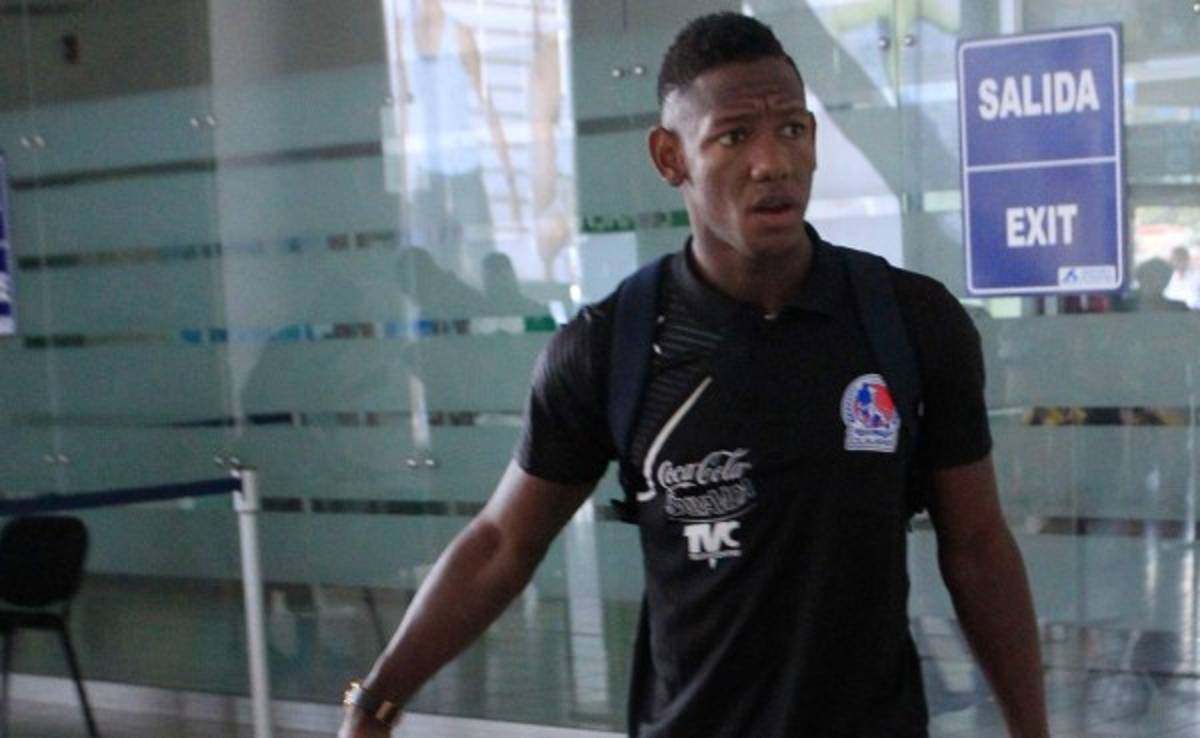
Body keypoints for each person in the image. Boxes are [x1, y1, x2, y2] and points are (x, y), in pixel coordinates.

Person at [338, 13, 1048, 738]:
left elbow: (977, 545)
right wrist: (375, 704)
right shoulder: (610, 348)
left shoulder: (909, 322)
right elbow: (500, 546)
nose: (772, 163)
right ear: (670, 157)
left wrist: (1032, 729)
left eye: (792, 130)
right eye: (734, 137)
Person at [1163, 245, 1200, 310]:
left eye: (1181, 259)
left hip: (1193, 311)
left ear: (1187, 259)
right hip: (1173, 311)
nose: (1179, 262)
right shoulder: (1170, 277)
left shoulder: (1197, 276)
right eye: (1176, 259)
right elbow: (1167, 296)